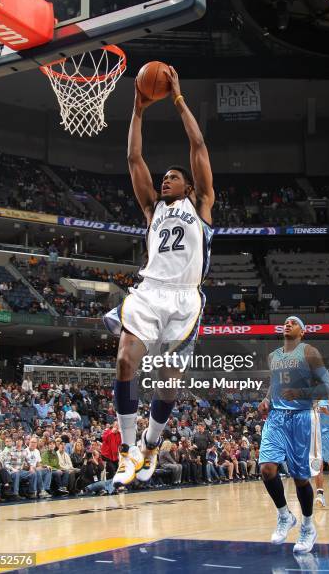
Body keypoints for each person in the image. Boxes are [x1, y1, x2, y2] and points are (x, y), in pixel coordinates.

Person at [103, 66, 214, 487]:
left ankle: (152, 440)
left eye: (173, 176)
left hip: (186, 299)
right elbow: (134, 158)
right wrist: (137, 108)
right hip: (150, 291)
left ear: (188, 186)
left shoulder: (201, 205)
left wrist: (179, 99)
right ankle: (130, 450)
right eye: (163, 177)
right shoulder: (152, 210)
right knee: (125, 359)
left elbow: (198, 145)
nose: (165, 179)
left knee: (169, 385)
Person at [258, 316, 329, 554]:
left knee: (301, 479)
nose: (287, 323)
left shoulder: (309, 352)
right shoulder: (273, 356)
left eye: (293, 322)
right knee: (266, 470)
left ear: (303, 331)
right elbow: (275, 383)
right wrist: (267, 399)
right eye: (286, 321)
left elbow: (328, 387)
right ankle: (284, 515)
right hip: (276, 418)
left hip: (302, 418)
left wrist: (301, 392)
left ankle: (308, 527)